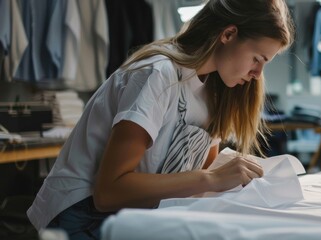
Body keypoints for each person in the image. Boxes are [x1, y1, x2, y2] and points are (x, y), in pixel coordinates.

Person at [27, 0, 295, 239]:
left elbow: (197, 173)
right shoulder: (157, 74)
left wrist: (232, 174)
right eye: (257, 59)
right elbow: (109, 192)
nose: (258, 74)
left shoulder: (217, 90)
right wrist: (212, 178)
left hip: (134, 211)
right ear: (228, 34)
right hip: (81, 213)